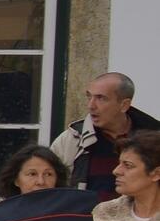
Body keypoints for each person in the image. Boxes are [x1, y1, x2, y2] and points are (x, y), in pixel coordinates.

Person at [52, 72, 158, 201]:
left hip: (143, 219)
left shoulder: (155, 139)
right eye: (89, 97)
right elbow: (50, 189)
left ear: (124, 105)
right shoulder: (72, 139)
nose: (91, 106)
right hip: (87, 219)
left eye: (101, 98)